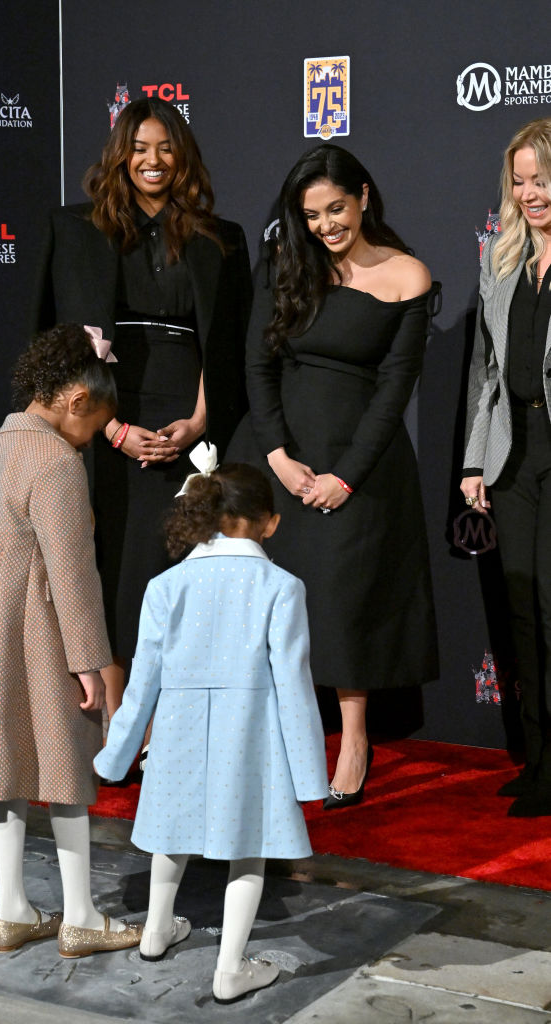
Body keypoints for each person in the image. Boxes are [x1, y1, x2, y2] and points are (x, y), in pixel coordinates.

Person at [0, 324, 142, 957]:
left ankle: (13, 911)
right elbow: (73, 574)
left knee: (4, 770)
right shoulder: (55, 462)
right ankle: (82, 918)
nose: (94, 437)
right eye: (96, 423)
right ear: (75, 400)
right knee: (66, 774)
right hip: (42, 642)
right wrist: (90, 661)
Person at [228, 143, 439, 809]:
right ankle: (263, 741)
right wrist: (279, 457)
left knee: (347, 604)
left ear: (364, 197)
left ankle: (353, 740)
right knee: (264, 606)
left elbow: (393, 390)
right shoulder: (287, 263)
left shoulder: (407, 275)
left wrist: (344, 477)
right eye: (312, 214)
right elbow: (257, 368)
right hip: (276, 456)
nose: (324, 225)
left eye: (336, 208)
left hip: (362, 465)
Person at [32, 97, 252, 715]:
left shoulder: (220, 239)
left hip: (192, 423)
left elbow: (230, 345)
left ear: (182, 157)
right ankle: (123, 718)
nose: (152, 161)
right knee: (120, 571)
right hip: (108, 426)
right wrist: (114, 429)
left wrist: (202, 421)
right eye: (139, 148)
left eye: (164, 147)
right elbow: (56, 347)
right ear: (119, 155)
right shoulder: (74, 230)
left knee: (181, 569)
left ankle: (176, 719)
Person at [94, 453, 328, 1004]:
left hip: (176, 729)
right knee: (250, 847)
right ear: (269, 522)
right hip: (249, 735)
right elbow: (293, 684)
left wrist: (115, 756)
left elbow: (142, 682)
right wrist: (309, 776)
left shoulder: (166, 584)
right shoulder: (281, 585)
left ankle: (155, 931)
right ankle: (230, 968)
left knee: (171, 832)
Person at [462, 118, 551, 818]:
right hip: (513, 456)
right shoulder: (502, 261)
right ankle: (539, 760)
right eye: (519, 181)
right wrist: (473, 461)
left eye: (541, 179)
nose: (529, 193)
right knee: (523, 612)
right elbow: (485, 373)